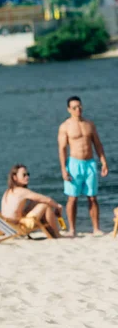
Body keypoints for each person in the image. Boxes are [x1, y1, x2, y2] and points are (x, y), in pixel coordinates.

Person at [58, 96, 108, 237]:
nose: (78, 109)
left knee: (92, 197)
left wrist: (103, 161)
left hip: (90, 163)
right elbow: (62, 149)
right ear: (69, 109)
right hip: (74, 164)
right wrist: (63, 169)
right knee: (72, 198)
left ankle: (96, 229)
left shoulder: (89, 124)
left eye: (79, 106)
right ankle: (72, 229)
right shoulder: (65, 126)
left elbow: (97, 144)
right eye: (74, 107)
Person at [1, 164, 62, 237]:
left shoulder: (8, 191)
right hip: (18, 227)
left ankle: (52, 231)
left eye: (28, 174)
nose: (27, 177)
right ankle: (57, 234)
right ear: (15, 177)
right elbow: (47, 199)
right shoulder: (22, 191)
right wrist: (58, 206)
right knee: (46, 205)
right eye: (24, 175)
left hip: (5, 225)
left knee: (36, 202)